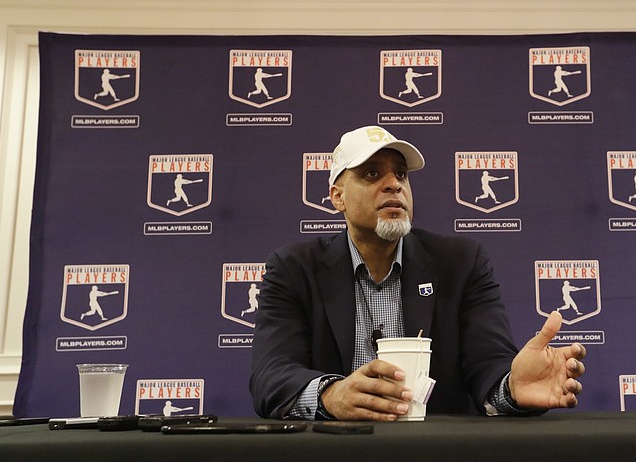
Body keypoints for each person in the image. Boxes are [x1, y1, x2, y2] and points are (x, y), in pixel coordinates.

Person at [250, 125, 586, 421]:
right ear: (338, 197)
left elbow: (488, 362)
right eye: (371, 174)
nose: (393, 185)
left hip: (434, 452)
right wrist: (331, 396)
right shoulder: (294, 268)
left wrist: (512, 387)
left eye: (401, 174)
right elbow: (272, 375)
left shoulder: (462, 263)